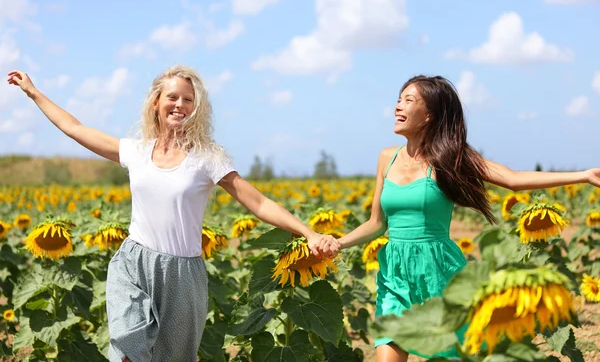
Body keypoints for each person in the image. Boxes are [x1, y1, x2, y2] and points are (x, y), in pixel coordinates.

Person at [6, 66, 340, 362]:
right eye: (172, 97)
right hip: (133, 263)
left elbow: (260, 203)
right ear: (156, 103)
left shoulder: (208, 159)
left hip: (183, 273)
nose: (179, 105)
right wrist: (34, 93)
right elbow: (75, 128)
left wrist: (308, 233)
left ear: (196, 109)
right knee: (126, 348)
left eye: (187, 100)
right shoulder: (137, 152)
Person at [333, 75, 600, 362]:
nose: (398, 107)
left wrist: (583, 175)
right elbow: (376, 223)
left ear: (428, 116)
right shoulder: (388, 157)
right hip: (395, 275)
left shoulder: (450, 157)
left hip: (439, 271)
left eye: (408, 100)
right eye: (399, 99)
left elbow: (513, 179)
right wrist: (337, 243)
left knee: (457, 353)